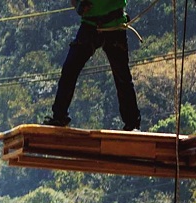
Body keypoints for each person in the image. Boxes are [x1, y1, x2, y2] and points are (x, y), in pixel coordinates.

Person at [43, 0, 141, 130]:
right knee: (70, 69)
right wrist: (78, 6)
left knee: (122, 75)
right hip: (90, 25)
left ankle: (132, 124)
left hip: (114, 24)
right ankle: (59, 116)